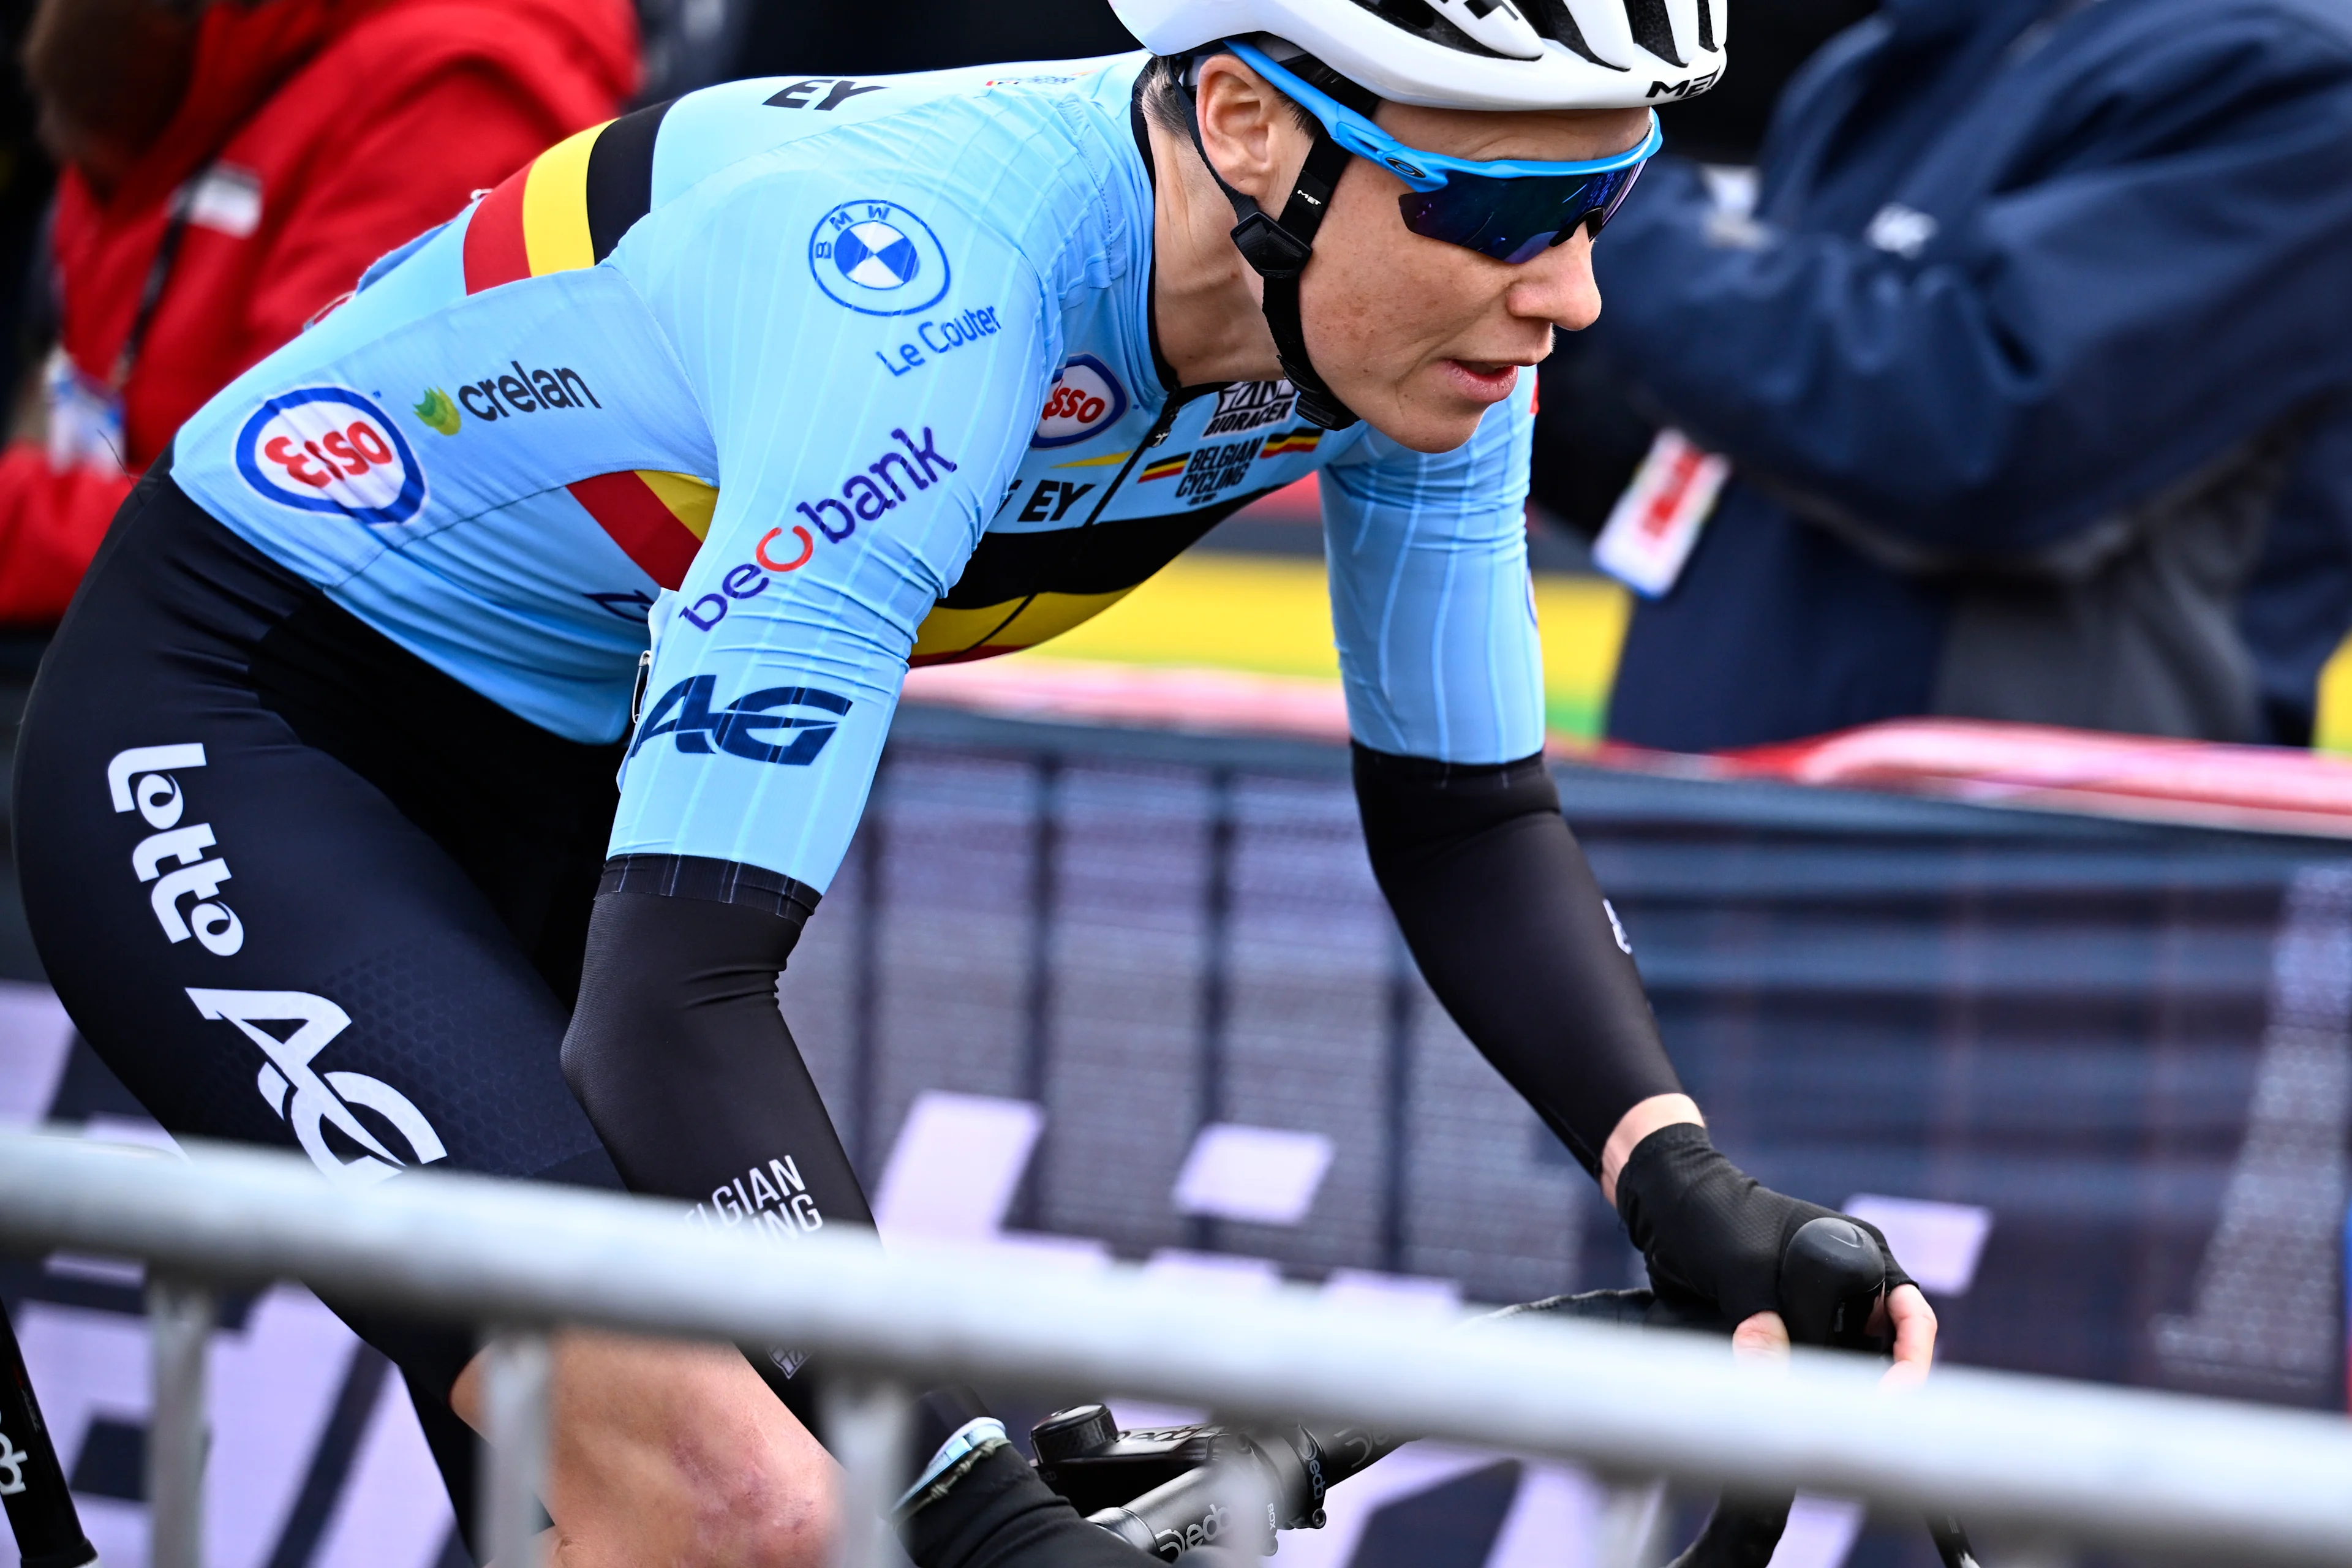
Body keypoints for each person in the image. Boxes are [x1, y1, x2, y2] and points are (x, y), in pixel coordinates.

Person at [11, 0, 1934, 1561]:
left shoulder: (1393, 316)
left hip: (568, 768)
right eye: (1507, 219)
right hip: (256, 729)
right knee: (753, 1501)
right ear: (1251, 131)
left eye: (1597, 207)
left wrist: (1680, 1176)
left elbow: (1466, 815)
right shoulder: (920, 310)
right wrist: (962, 1499)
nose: (1568, 297)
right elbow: (675, 1014)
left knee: (710, 1497)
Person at [1561, 0, 2352, 752]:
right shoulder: (1912, 42)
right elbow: (1750, 452)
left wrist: (1592, 192)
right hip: (1723, 834)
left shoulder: (2280, 66)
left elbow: (1982, 424)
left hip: (2010, 865)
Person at [0, 0, 639, 628]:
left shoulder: (443, 91)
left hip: (303, 669)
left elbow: (285, 506)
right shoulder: (181, 58)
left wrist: (21, 522)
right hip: (144, 607)